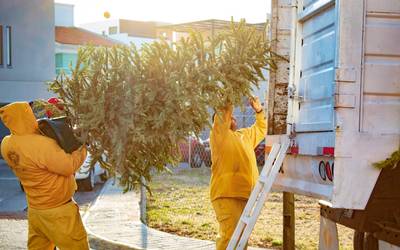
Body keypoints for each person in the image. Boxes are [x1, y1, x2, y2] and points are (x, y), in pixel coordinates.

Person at [0, 102, 89, 250]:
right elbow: (69, 166)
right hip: (59, 213)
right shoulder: (40, 145)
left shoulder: (6, 143)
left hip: (35, 211)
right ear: (26, 116)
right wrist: (83, 147)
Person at [210, 97, 267, 250]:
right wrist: (232, 91)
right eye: (230, 117)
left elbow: (261, 129)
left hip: (245, 195)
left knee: (241, 238)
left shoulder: (244, 135)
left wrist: (259, 111)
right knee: (230, 237)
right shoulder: (219, 136)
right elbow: (223, 114)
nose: (233, 118)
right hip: (226, 194)